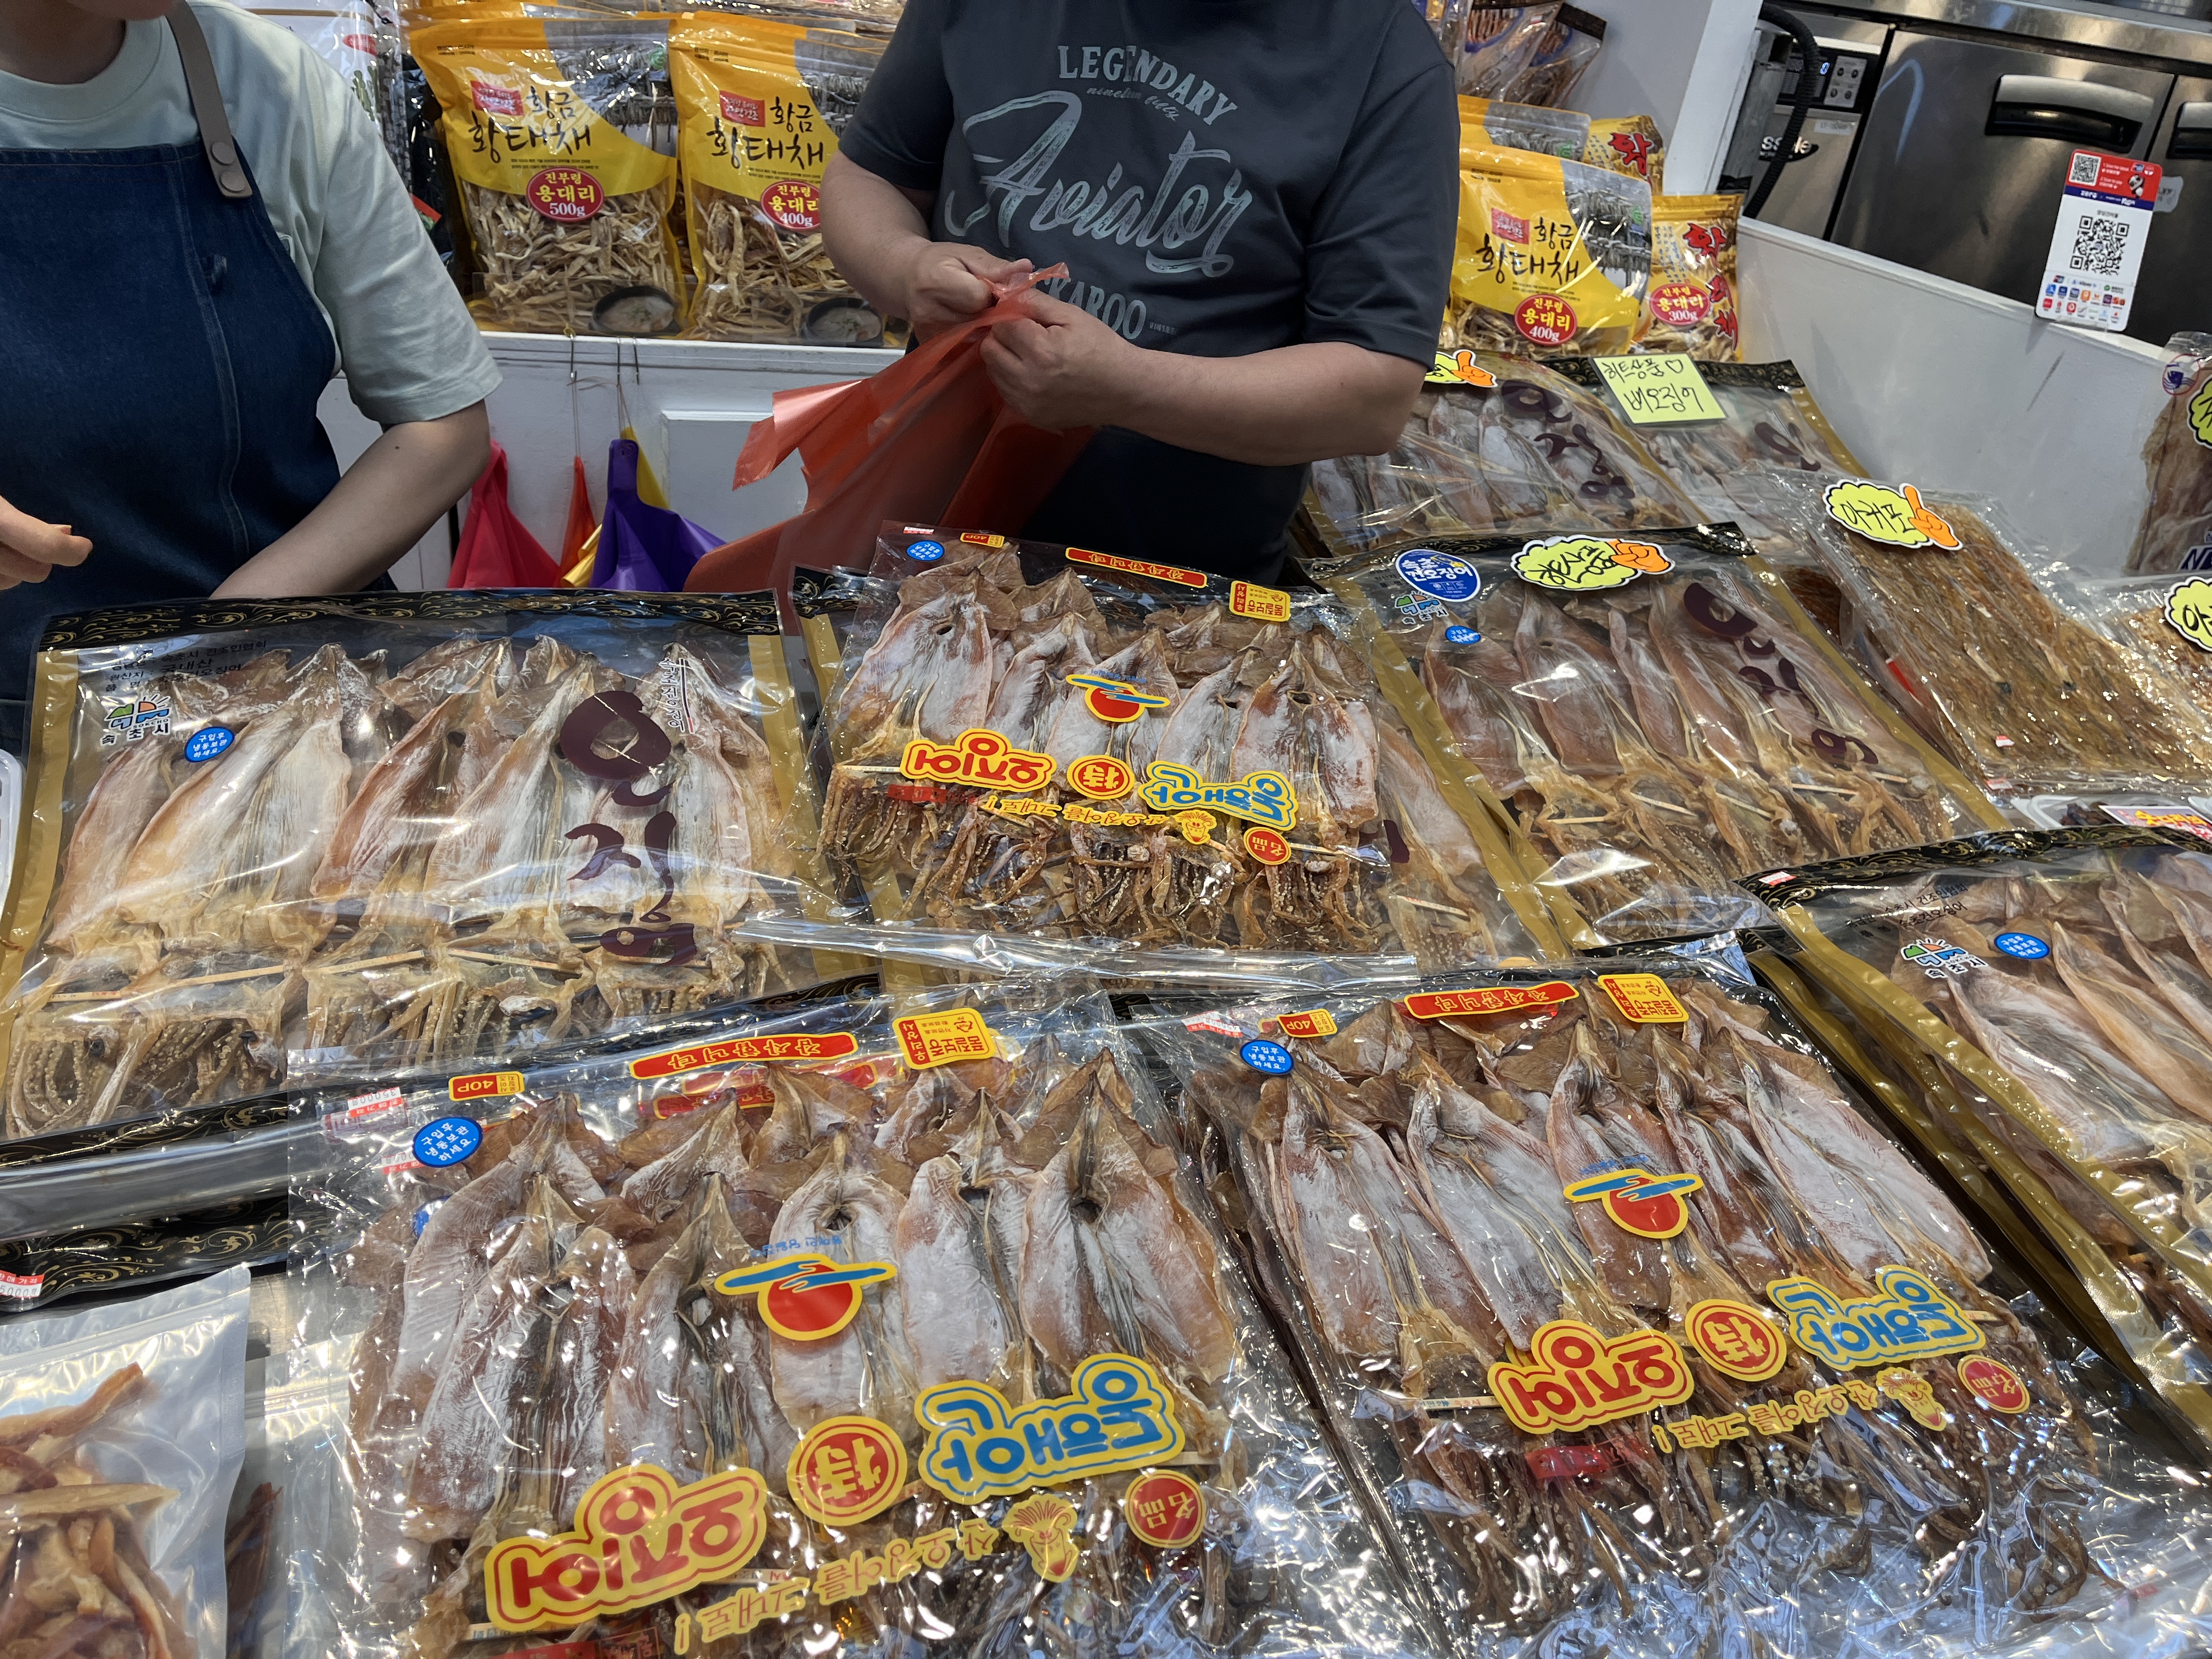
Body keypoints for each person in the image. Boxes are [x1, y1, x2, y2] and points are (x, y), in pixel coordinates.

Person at [820, 0, 1458, 585]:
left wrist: (1129, 389)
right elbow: (872, 176)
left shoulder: (1384, 56)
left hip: (1181, 590)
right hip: (923, 537)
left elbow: (1374, 393)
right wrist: (906, 267)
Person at [0, 0, 498, 747]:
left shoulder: (273, 84)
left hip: (288, 694)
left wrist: (220, 640)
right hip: (20, 720)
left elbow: (442, 424)